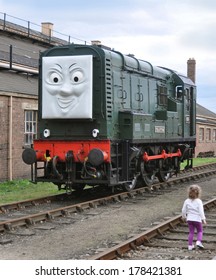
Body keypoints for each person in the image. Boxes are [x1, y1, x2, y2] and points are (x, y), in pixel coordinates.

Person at [182, 184, 207, 251]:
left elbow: (183, 210)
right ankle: (198, 241)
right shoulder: (199, 201)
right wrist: (203, 219)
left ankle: (190, 246)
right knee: (200, 231)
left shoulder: (186, 201)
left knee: (191, 232)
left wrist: (184, 217)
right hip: (197, 219)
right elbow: (201, 211)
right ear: (198, 193)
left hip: (189, 219)